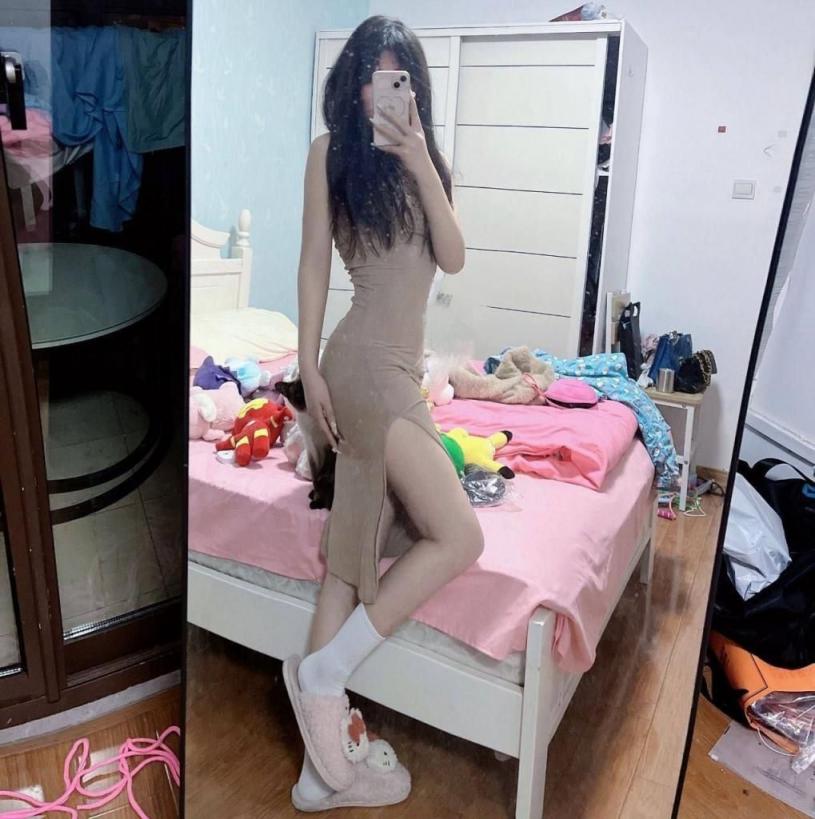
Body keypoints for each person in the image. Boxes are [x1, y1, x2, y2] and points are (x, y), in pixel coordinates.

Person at [283, 14, 484, 813]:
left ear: (414, 88)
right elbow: (311, 261)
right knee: (460, 534)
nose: (385, 91)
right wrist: (305, 366)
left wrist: (420, 158)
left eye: (400, 77)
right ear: (354, 83)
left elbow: (453, 257)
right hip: (360, 365)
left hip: (397, 369)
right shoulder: (329, 153)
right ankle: (325, 675)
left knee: (351, 550)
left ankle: (316, 775)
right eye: (375, 76)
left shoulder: (424, 162)